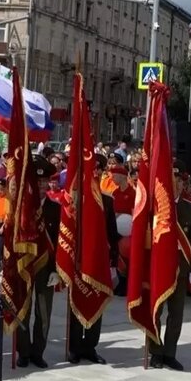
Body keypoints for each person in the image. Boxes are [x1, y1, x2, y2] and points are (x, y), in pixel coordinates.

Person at [68, 154, 119, 364]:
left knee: (96, 301)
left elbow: (112, 233)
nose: (95, 172)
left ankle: (90, 346)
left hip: (98, 261)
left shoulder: (107, 200)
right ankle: (74, 347)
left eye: (99, 169)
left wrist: (113, 261)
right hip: (78, 260)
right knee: (76, 302)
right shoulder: (74, 197)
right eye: (93, 168)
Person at [149, 160, 191, 371]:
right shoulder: (156, 207)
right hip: (159, 268)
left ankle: (170, 353)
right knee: (155, 312)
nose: (176, 185)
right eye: (172, 180)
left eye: (179, 181)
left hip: (181, 268)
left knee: (176, 314)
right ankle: (155, 351)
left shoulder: (189, 209)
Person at [16, 163, 58, 369]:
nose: (41, 185)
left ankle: (37, 352)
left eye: (44, 181)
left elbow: (61, 243)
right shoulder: (23, 208)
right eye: (37, 181)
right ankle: (23, 352)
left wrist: (57, 270)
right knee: (23, 309)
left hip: (46, 267)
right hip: (25, 265)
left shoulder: (56, 208)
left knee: (44, 312)